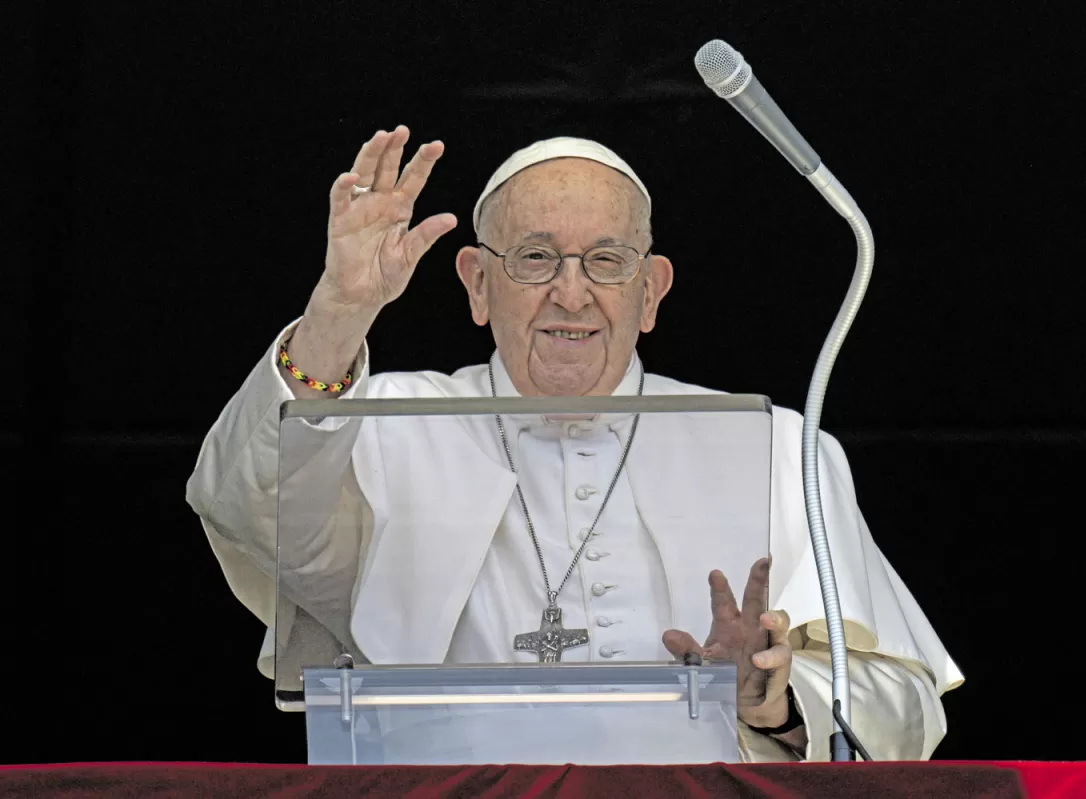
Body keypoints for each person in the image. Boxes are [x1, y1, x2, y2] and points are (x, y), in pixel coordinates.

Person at [186, 125, 963, 763]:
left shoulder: (775, 446)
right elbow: (244, 508)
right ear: (476, 284)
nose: (571, 291)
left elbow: (901, 711)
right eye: (533, 257)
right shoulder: (386, 421)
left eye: (606, 260)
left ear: (651, 290)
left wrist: (775, 697)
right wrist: (338, 311)